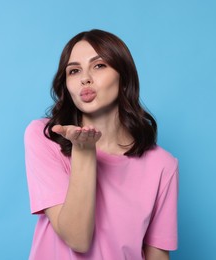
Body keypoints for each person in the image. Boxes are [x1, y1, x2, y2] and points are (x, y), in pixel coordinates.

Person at [24, 29, 178, 260]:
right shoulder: (45, 136)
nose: (85, 78)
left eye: (99, 65)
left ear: (123, 76)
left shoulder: (162, 164)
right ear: (67, 85)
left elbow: (157, 255)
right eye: (74, 71)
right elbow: (77, 238)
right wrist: (84, 152)